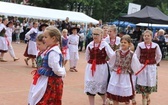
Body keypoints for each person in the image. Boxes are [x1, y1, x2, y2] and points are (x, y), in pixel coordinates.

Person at [29, 26, 66, 105]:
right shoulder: (50, 50)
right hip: (46, 79)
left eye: (46, 37)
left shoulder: (53, 52)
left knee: (47, 100)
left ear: (53, 38)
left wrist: (63, 72)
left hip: (51, 81)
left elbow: (56, 69)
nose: (44, 39)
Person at [107, 35, 141, 105]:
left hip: (126, 76)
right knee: (114, 94)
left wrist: (132, 71)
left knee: (126, 96)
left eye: (125, 42)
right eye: (122, 42)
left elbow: (136, 66)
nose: (123, 44)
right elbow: (111, 62)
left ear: (129, 44)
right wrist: (113, 70)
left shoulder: (132, 55)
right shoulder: (116, 52)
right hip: (116, 75)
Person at [84, 27, 114, 105]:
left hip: (101, 69)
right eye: (93, 34)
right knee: (90, 89)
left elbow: (112, 56)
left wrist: (109, 64)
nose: (95, 36)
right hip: (91, 68)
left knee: (101, 89)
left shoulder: (105, 45)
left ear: (101, 35)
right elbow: (87, 57)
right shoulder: (90, 45)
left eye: (97, 34)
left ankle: (105, 102)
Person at [135, 30, 162, 105]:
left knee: (150, 83)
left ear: (151, 37)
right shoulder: (140, 45)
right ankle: (144, 100)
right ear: (143, 37)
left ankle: (148, 96)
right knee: (142, 83)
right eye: (145, 36)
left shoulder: (155, 45)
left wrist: (154, 62)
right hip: (142, 67)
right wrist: (138, 64)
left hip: (151, 67)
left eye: (148, 36)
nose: (146, 37)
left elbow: (159, 55)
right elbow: (136, 56)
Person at [28, 34, 48, 105]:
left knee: (39, 93)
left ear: (45, 44)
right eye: (37, 44)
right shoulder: (39, 53)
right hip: (38, 76)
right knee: (33, 91)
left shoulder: (47, 54)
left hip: (44, 77)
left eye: (39, 44)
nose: (37, 46)